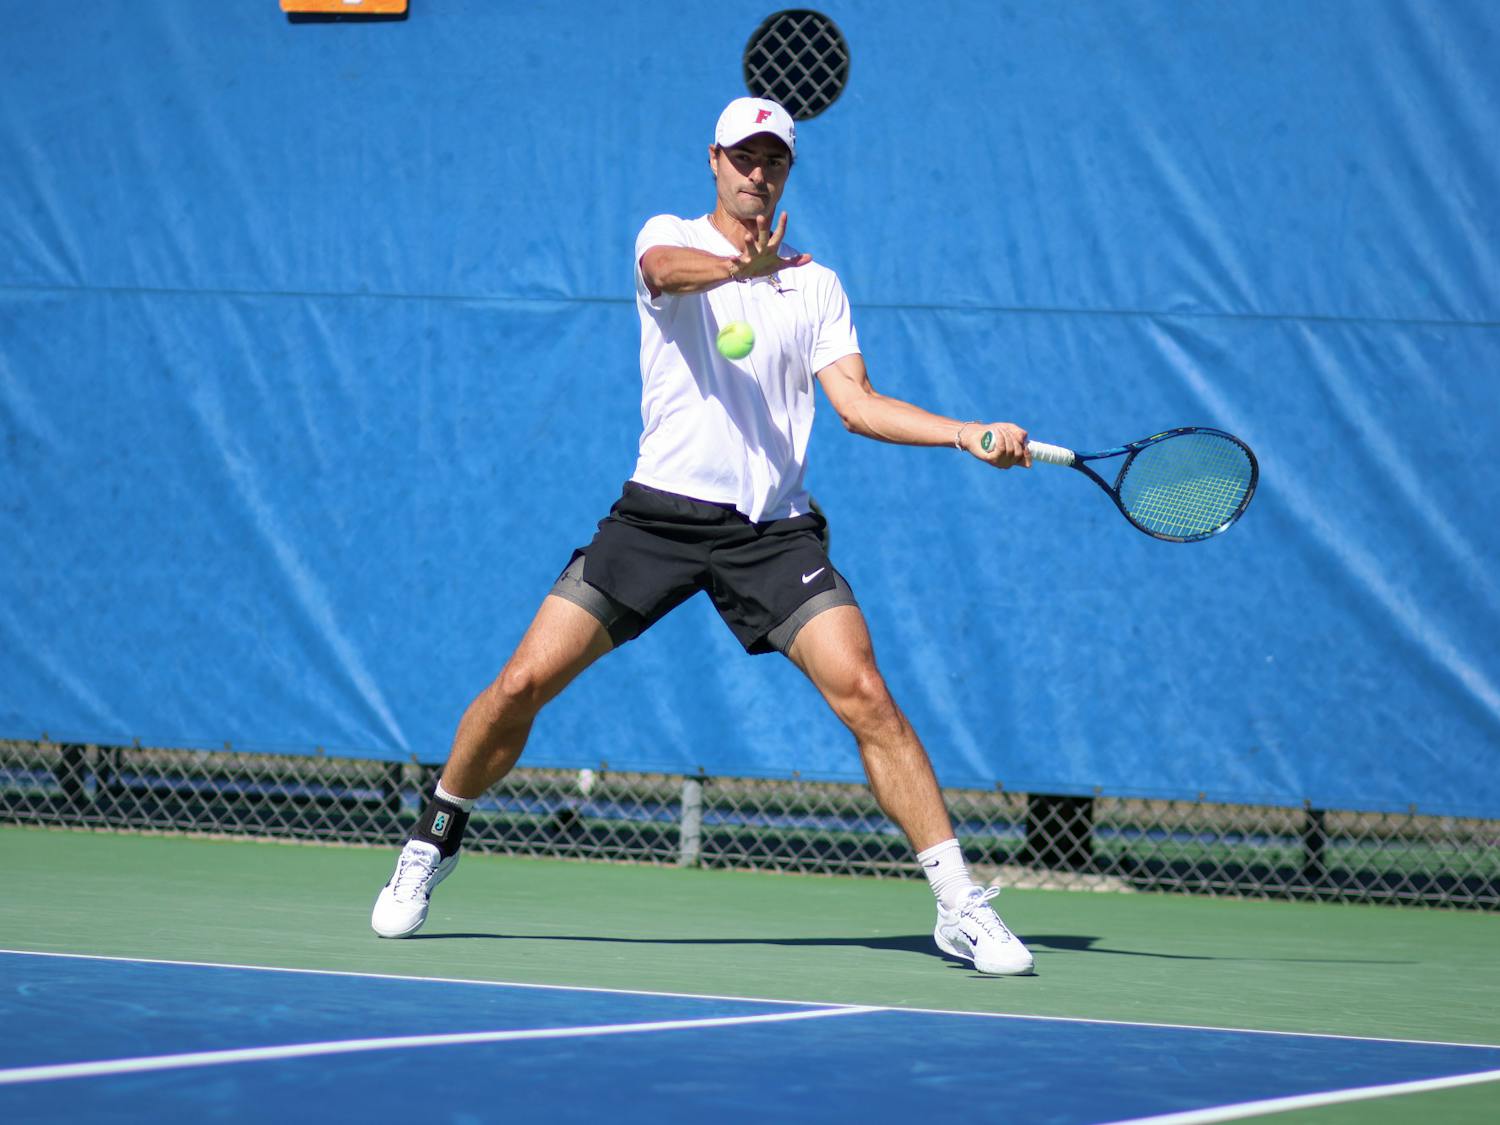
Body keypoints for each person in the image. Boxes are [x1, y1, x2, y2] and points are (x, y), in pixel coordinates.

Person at [371, 97, 1036, 976]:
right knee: (522, 680)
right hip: (657, 517)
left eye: (775, 161)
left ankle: (957, 902)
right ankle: (437, 833)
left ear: (788, 173)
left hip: (772, 533)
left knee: (867, 692)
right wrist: (736, 270)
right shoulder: (669, 236)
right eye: (744, 158)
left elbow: (859, 405)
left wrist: (965, 432)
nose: (759, 173)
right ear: (714, 161)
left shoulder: (817, 284)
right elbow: (665, 269)